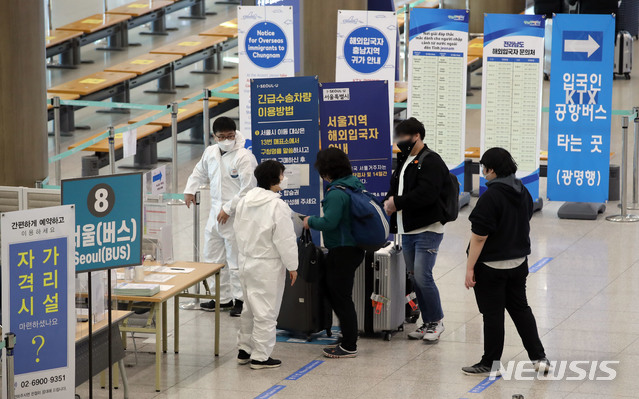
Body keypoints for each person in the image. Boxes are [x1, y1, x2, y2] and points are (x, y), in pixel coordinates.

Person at [462, 148, 549, 376]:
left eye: (484, 168)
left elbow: (479, 237)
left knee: (493, 315)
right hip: (519, 263)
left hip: (491, 267)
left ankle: (490, 363)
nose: (483, 173)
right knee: (521, 310)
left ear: (491, 170)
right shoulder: (522, 190)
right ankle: (539, 357)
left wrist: (470, 267)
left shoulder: (491, 196)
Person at [384, 117, 449, 343]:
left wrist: (397, 203)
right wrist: (389, 201)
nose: (400, 141)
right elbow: (396, 188)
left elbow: (427, 194)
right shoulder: (404, 160)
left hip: (428, 229)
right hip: (407, 228)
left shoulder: (431, 161)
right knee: (414, 277)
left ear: (417, 136)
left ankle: (437, 321)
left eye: (403, 137)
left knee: (423, 275)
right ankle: (426, 322)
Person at [184, 116, 257, 317]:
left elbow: (248, 189)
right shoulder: (210, 152)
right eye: (222, 136)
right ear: (214, 137)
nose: (227, 140)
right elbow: (199, 172)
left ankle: (240, 300)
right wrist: (190, 190)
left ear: (235, 134)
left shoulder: (244, 156)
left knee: (235, 261)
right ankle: (221, 298)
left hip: (236, 215)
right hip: (215, 214)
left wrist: (228, 208)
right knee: (213, 258)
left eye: (230, 136)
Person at [234, 160, 298, 369]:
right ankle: (260, 356)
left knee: (249, 309)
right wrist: (292, 266)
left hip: (245, 260)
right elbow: (285, 239)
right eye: (282, 175)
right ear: (274, 179)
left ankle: (244, 349)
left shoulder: (244, 201)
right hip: (266, 265)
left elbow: (237, 230)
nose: (283, 178)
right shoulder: (276, 206)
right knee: (266, 312)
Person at [303, 148, 365, 359]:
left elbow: (329, 223)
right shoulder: (353, 184)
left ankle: (349, 345)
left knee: (341, 298)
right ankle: (348, 336)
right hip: (353, 248)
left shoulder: (336, 193)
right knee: (336, 294)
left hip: (342, 251)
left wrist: (309, 221)